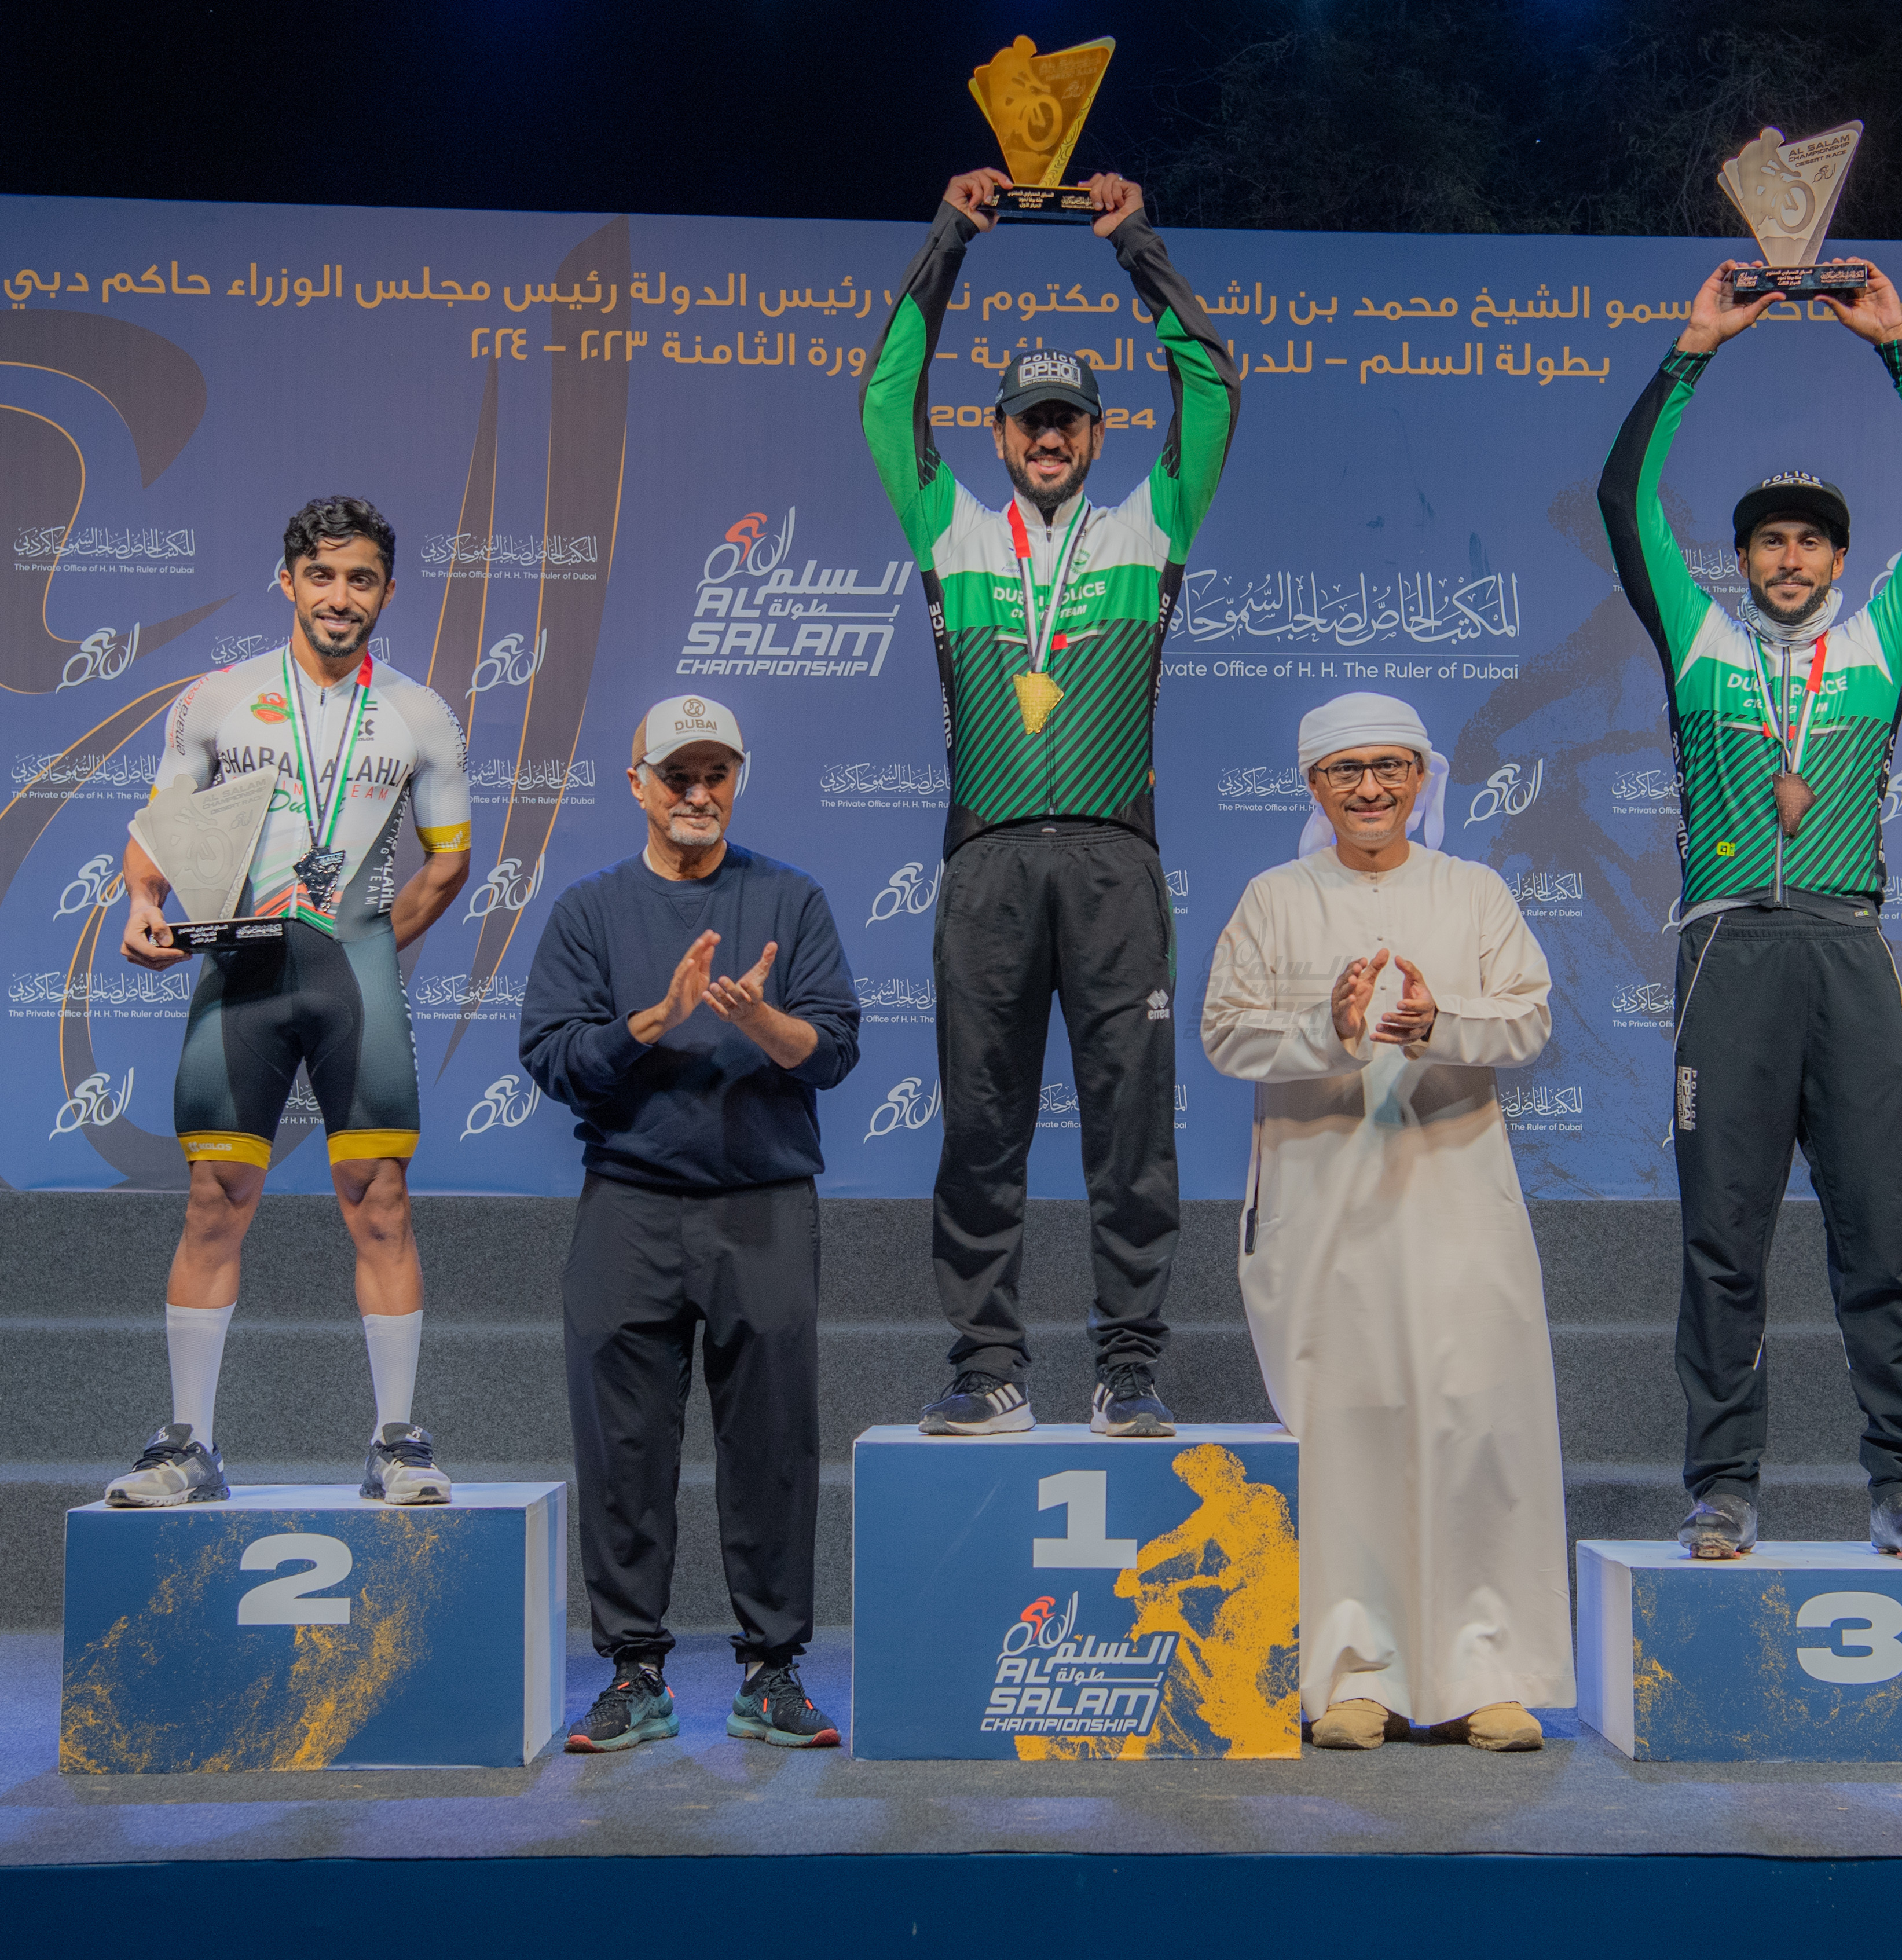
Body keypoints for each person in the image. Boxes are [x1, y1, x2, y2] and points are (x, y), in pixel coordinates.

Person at [1597, 258, 1902, 1562]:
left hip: (1845, 947)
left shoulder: (1877, 640)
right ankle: (1722, 1484)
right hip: (1727, 952)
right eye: (1768, 538)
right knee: (1723, 1241)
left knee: (1878, 1234)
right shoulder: (1696, 640)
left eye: (1810, 538)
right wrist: (1692, 348)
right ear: (1741, 556)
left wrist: (1901, 350)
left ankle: (1901, 1484)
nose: (1788, 555)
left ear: (1839, 559)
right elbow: (1623, 496)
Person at [860, 167, 1239, 1439]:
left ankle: (1127, 1368)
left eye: (1068, 420)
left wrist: (1136, 241)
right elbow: (884, 395)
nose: (1049, 438)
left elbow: (1211, 383)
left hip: (1115, 863)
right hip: (986, 866)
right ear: (999, 434)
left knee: (1131, 1127)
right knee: (980, 1124)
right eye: (1030, 420)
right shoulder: (951, 531)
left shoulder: (1149, 528)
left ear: (1097, 433)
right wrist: (949, 236)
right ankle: (989, 1368)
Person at [1200, 693, 1571, 1752]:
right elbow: (1225, 1034)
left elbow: (1529, 1014)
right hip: (1324, 1213)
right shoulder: (1273, 899)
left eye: (1390, 767)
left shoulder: (1472, 891)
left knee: (1475, 1425)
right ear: (1313, 786)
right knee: (1345, 1436)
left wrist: (1438, 1021)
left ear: (1421, 778)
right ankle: (1348, 1673)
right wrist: (1327, 1027)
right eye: (1345, 770)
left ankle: (1482, 1671)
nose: (1369, 788)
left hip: (1456, 1205)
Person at [109, 495, 471, 1509]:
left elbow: (449, 861)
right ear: (288, 582)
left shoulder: (421, 712)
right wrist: (144, 905)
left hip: (354, 975)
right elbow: (158, 831)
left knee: (380, 1199)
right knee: (214, 1197)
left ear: (387, 592)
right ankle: (189, 1443)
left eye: (361, 579)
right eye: (321, 575)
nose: (339, 597)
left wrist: (365, 942)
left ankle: (397, 1442)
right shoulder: (218, 699)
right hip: (242, 980)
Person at [519, 697, 862, 1753]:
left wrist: (760, 1018)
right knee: (622, 1446)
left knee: (772, 1445)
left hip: (764, 1204)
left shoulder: (790, 899)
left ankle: (772, 1672)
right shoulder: (589, 911)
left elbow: (834, 1050)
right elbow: (551, 1058)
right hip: (628, 1203)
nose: (697, 793)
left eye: (715, 773)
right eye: (677, 774)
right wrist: (651, 1023)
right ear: (637, 785)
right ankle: (633, 1671)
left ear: (737, 780)